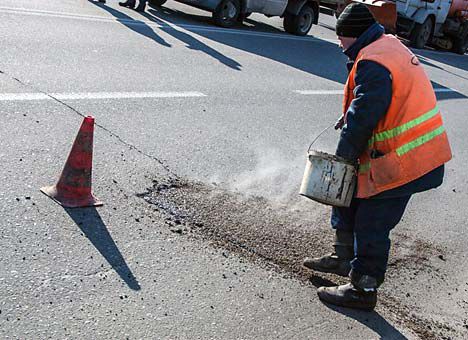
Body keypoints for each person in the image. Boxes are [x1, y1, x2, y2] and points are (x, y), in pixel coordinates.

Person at [302, 2, 452, 311]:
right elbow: (380, 101)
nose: (338, 43)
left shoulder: (373, 61)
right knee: (352, 196)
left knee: (372, 222)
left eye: (340, 37)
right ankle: (344, 258)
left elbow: (365, 114)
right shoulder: (386, 45)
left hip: (408, 160)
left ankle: (363, 289)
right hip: (404, 151)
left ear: (352, 35)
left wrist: (343, 158)